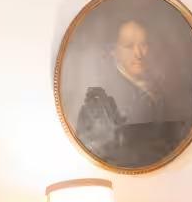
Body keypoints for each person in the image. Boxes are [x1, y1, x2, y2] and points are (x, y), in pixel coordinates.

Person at [75, 19, 181, 168]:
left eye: (143, 44)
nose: (139, 54)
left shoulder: (157, 89)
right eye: (129, 46)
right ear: (113, 51)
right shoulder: (101, 99)